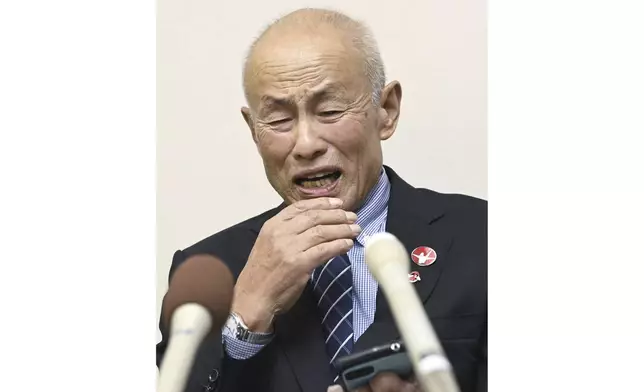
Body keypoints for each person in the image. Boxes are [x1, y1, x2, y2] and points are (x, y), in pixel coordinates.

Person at [156, 8, 487, 392]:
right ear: (253, 130)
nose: (306, 144)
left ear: (387, 110)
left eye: (330, 111)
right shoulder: (207, 276)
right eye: (279, 120)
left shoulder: (481, 236)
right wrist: (245, 314)